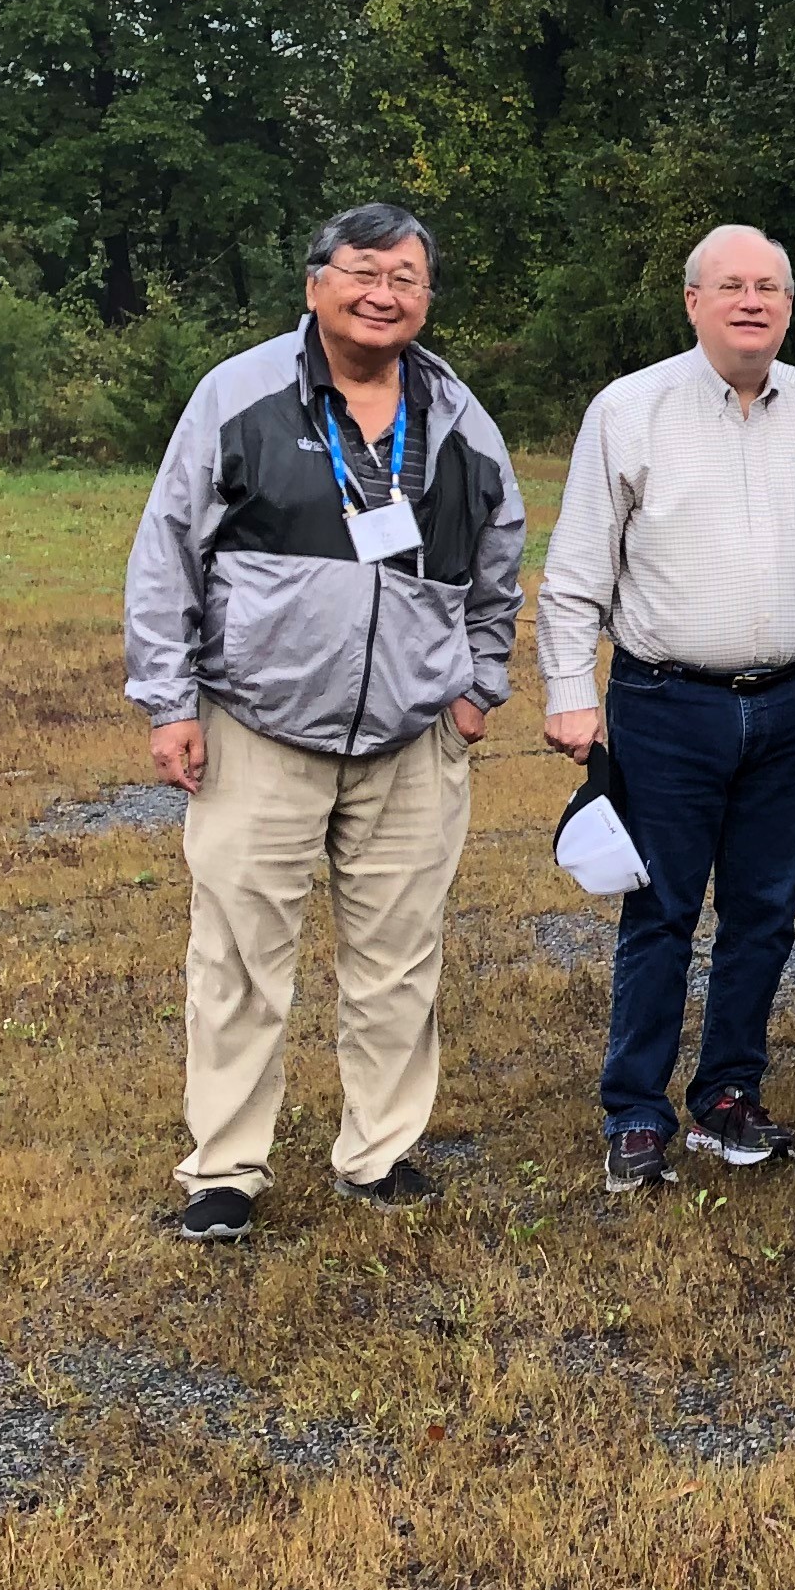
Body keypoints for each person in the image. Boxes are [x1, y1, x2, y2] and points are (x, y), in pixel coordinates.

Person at [124, 203, 524, 1243]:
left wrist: (480, 686)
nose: (382, 292)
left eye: (406, 276)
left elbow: (499, 557)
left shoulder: (458, 417)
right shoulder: (239, 396)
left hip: (412, 740)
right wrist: (170, 701)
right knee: (241, 958)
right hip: (260, 728)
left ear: (427, 300)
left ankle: (379, 1155)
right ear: (315, 284)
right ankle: (224, 1173)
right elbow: (168, 549)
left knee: (399, 960)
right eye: (362, 271)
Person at [536, 224, 795, 1194]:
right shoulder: (630, 411)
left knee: (765, 914)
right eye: (731, 286)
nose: (751, 302)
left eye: (770, 285)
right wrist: (565, 692)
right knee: (661, 913)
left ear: (790, 306)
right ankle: (635, 1111)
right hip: (667, 704)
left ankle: (728, 1096)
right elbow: (576, 569)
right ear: (693, 302)